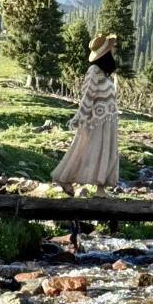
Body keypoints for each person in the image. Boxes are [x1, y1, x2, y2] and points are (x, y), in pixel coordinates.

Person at [52, 32, 120, 194]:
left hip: (108, 121)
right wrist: (80, 116)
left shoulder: (105, 73)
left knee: (106, 152)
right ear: (106, 54)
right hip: (95, 120)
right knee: (88, 150)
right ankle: (64, 179)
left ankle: (100, 188)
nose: (113, 51)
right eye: (111, 49)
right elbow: (88, 95)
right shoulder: (94, 71)